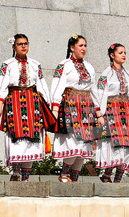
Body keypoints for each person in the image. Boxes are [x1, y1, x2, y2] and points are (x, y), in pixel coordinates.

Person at [0, 34, 57, 181]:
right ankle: (16, 173)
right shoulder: (7, 64)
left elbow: (41, 85)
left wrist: (47, 105)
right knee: (16, 137)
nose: (23, 46)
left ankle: (26, 176)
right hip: (14, 102)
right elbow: (2, 85)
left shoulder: (35, 64)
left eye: (25, 43)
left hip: (32, 103)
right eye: (20, 44)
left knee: (32, 139)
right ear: (14, 47)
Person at [49, 34, 98, 183]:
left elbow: (94, 90)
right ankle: (64, 174)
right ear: (72, 47)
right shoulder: (64, 65)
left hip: (86, 107)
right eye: (80, 45)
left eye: (85, 46)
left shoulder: (89, 67)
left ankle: (74, 177)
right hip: (70, 105)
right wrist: (55, 108)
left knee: (84, 144)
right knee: (73, 140)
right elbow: (57, 86)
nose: (83, 48)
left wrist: (98, 111)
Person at [94, 43, 129, 183]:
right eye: (120, 52)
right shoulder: (106, 74)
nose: (123, 55)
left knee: (127, 144)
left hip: (126, 113)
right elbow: (101, 95)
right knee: (114, 143)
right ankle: (107, 174)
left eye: (125, 52)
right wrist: (100, 114)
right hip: (112, 112)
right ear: (112, 55)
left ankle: (118, 179)